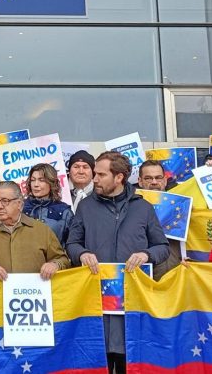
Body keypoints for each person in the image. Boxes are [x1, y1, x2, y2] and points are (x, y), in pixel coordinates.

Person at [65, 151, 169, 373]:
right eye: (95, 174)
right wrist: (82, 253)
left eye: (101, 175)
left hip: (131, 310)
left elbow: (162, 247)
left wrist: (146, 255)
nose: (94, 179)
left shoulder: (143, 208)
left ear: (119, 177)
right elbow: (71, 245)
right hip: (95, 309)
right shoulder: (85, 207)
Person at [0, 182, 70, 280]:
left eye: (5, 201)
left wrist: (55, 265)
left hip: (34, 296)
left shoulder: (41, 230)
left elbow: (62, 259)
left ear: (19, 204)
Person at [22, 163, 73, 245]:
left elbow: (72, 244)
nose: (36, 185)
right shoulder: (20, 207)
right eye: (33, 180)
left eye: (41, 180)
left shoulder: (64, 212)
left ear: (52, 182)